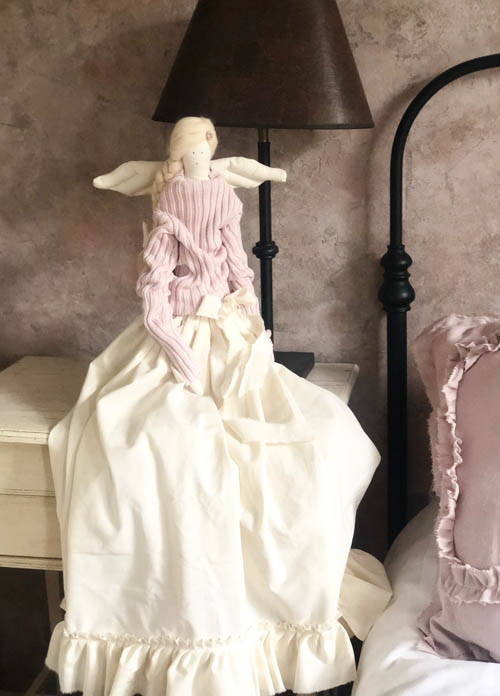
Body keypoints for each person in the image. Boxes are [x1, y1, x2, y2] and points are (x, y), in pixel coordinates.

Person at [46, 116, 390, 696]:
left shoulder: (222, 202)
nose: (199, 159)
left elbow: (237, 268)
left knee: (317, 433)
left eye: (203, 148)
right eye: (192, 150)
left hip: (229, 333)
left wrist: (250, 325)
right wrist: (178, 352)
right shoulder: (170, 210)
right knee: (163, 440)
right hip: (176, 338)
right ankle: (183, 615)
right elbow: (156, 294)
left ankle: (269, 610)